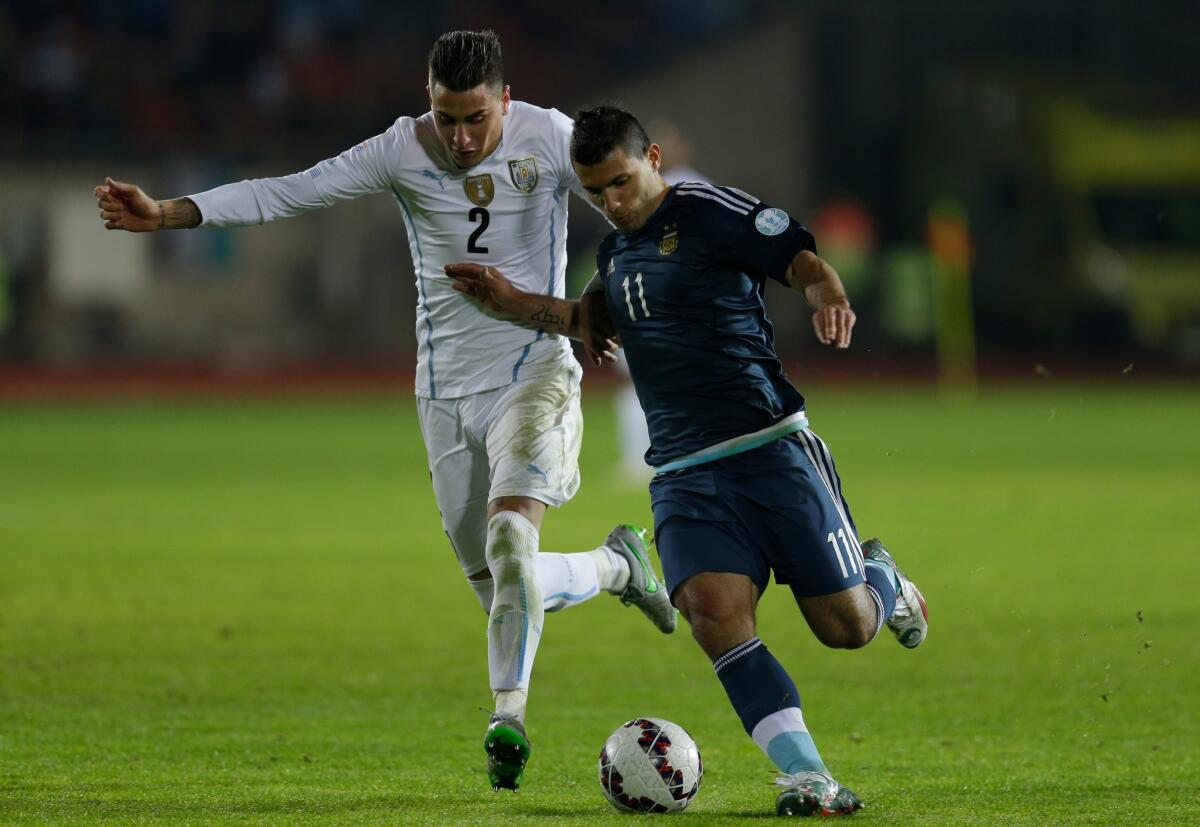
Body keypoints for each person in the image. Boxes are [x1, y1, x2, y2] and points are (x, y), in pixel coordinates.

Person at [93, 33, 677, 793]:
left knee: (509, 539)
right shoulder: (400, 150)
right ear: (426, 100)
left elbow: (624, 191)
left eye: (475, 119)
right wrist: (168, 212)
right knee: (502, 584)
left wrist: (627, 280)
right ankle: (613, 564)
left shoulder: (551, 136)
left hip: (534, 373)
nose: (461, 138)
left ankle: (509, 717)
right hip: (441, 392)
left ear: (505, 100)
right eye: (445, 117)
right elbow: (290, 190)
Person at [446, 105, 928, 818]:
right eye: (594, 192)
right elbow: (592, 321)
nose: (610, 203)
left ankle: (881, 576)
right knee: (712, 614)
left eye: (619, 183)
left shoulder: (706, 211)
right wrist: (515, 302)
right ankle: (809, 776)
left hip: (769, 449)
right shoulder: (614, 255)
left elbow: (797, 256)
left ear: (654, 160)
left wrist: (828, 293)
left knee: (846, 627)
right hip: (681, 472)